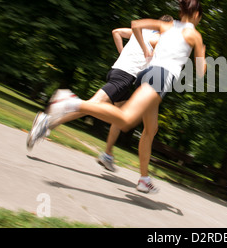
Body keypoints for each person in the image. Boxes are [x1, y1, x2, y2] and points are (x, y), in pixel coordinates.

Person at [43, 0, 206, 193]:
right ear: (197, 15)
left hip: (146, 75)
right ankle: (70, 102)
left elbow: (136, 25)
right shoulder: (194, 34)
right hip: (159, 78)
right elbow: (200, 71)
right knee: (126, 119)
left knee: (150, 129)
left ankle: (144, 179)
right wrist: (202, 52)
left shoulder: (167, 25)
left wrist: (147, 48)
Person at [27, 15, 174, 174]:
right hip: (125, 76)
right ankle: (47, 122)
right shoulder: (158, 38)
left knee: (119, 116)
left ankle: (107, 154)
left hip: (118, 71)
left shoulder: (143, 32)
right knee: (91, 106)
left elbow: (116, 32)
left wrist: (122, 53)